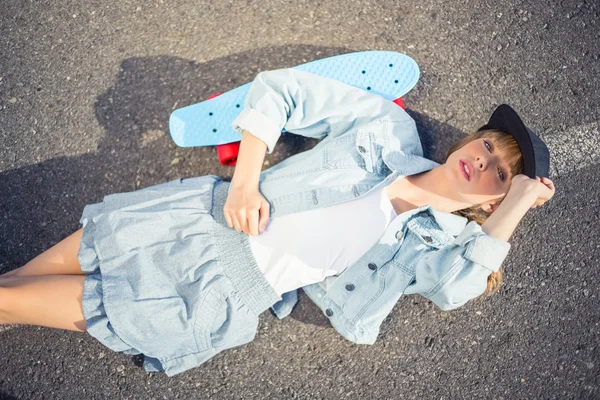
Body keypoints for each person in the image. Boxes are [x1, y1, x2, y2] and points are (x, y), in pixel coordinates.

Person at [0, 69, 555, 376]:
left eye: (500, 174)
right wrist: (245, 180)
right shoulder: (388, 131)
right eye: (488, 145)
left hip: (216, 297)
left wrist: (516, 206)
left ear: (494, 203)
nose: (483, 161)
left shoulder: (436, 250)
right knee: (11, 291)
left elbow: (458, 290)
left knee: (8, 302)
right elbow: (281, 89)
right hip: (195, 220)